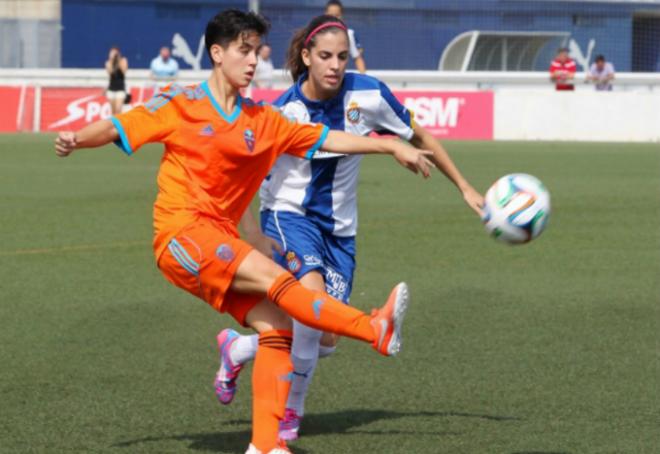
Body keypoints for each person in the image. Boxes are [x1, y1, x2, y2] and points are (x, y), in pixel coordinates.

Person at [54, 9, 435, 454]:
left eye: (257, 51)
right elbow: (121, 125)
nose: (253, 60)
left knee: (277, 327)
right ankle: (373, 329)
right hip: (182, 235)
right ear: (217, 53)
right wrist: (77, 139)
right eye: (243, 50)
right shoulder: (180, 104)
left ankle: (265, 446)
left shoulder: (262, 120)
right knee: (282, 284)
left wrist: (389, 145)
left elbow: (325, 139)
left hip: (220, 241)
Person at [212, 14, 484, 442]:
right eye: (324, 56)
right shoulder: (285, 111)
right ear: (306, 57)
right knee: (312, 303)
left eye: (341, 56)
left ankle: (237, 348)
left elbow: (420, 137)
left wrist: (465, 187)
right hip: (288, 217)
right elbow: (243, 175)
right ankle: (289, 416)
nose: (335, 65)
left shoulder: (369, 93)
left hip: (340, 231)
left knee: (323, 339)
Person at [325, 0, 366, 73]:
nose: (334, 18)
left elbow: (358, 59)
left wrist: (364, 79)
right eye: (331, 15)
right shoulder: (317, 34)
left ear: (342, 16)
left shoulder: (348, 35)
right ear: (325, 15)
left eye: (337, 15)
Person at [105, 46, 128, 115]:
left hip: (120, 89)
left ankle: (118, 125)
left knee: (118, 110)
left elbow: (124, 71)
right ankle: (113, 125)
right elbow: (110, 72)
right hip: (111, 89)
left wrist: (118, 60)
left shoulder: (123, 60)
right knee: (113, 111)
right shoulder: (108, 62)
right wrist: (112, 60)